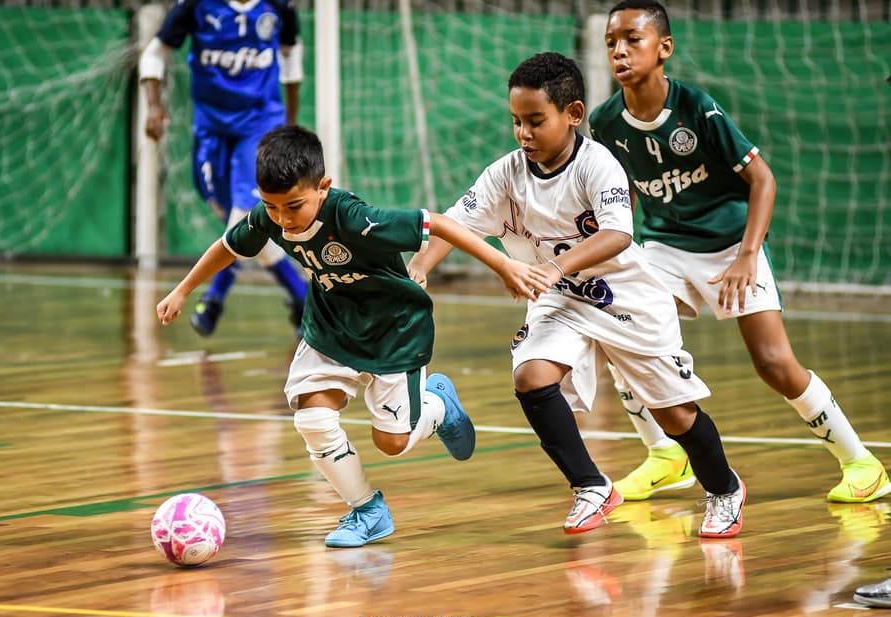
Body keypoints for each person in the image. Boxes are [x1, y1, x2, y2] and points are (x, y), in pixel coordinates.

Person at [157, 125, 552, 547]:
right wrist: (183, 288)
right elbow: (229, 246)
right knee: (312, 418)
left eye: (294, 206)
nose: (283, 220)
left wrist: (503, 266)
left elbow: (438, 223)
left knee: (393, 444)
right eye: (272, 208)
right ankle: (367, 510)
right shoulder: (269, 217)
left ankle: (439, 406)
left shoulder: (353, 218)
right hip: (331, 327)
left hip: (394, 332)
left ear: (323, 187)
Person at [408, 52, 746, 538]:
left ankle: (724, 489)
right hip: (562, 299)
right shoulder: (506, 172)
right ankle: (591, 486)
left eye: (535, 121)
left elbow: (618, 235)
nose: (523, 133)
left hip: (626, 299)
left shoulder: (597, 164)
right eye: (516, 122)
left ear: (573, 114)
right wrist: (420, 266)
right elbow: (453, 223)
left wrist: (551, 267)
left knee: (675, 414)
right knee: (531, 376)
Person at [589, 0, 890, 504]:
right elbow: (626, 192)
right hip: (664, 245)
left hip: (731, 245)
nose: (619, 50)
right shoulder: (605, 122)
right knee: (620, 335)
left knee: (773, 363)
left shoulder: (698, 108)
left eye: (632, 39)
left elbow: (762, 179)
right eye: (611, 42)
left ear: (664, 48)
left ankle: (862, 464)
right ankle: (666, 456)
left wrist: (748, 255)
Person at [138, 0, 309, 337]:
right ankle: (302, 297)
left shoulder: (279, 7)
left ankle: (213, 300)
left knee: (245, 216)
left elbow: (290, 55)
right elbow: (154, 54)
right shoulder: (196, 6)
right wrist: (154, 106)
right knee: (240, 222)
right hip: (211, 127)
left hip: (260, 123)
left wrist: (289, 122)